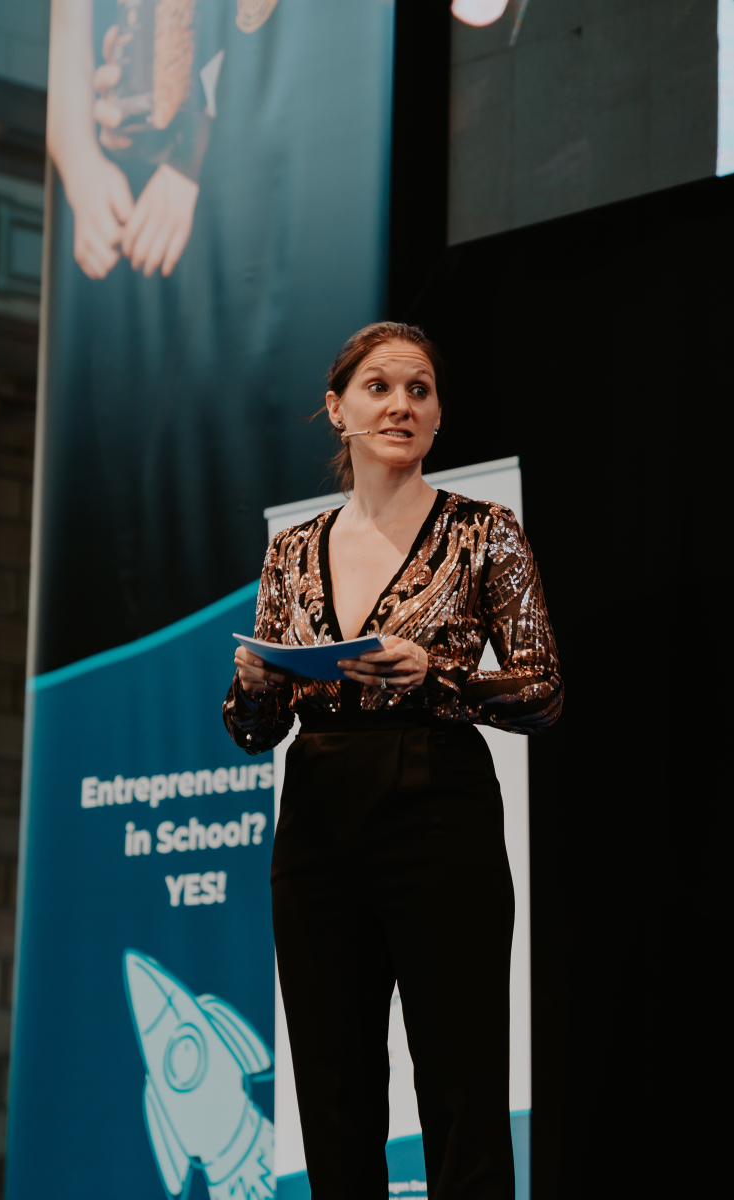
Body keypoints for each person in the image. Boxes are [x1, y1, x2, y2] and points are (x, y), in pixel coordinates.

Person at [225, 322, 562, 1200]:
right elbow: (254, 732)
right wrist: (256, 684)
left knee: (460, 1076)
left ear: (439, 415)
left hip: (438, 797)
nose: (401, 405)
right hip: (317, 806)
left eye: (420, 389)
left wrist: (439, 675)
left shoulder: (485, 531)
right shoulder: (291, 550)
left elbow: (544, 690)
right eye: (378, 387)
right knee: (331, 1082)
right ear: (338, 410)